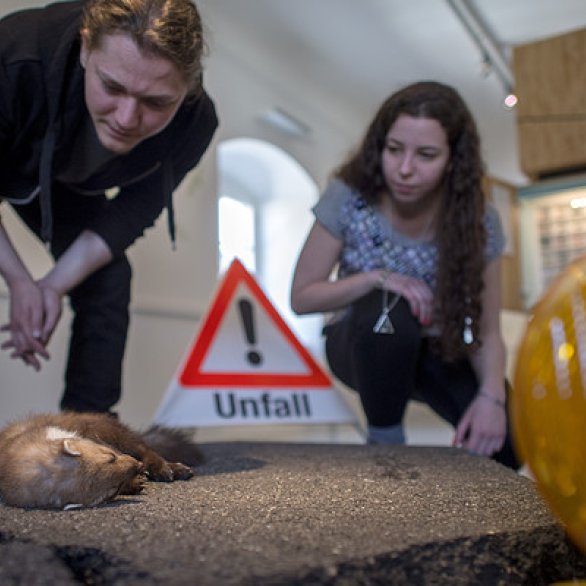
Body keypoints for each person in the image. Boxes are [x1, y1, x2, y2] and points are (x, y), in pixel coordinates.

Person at [0, 0, 218, 414]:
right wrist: (20, 282)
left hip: (67, 185)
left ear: (186, 90)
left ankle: (88, 433)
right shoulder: (15, 55)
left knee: (108, 277)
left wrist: (49, 287)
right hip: (20, 152)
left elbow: (129, 215)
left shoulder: (196, 123)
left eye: (155, 102)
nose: (127, 117)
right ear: (86, 48)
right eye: (112, 87)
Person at [291, 81, 519, 469]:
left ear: (453, 159)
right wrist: (376, 278)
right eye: (394, 150)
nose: (405, 169)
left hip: (435, 346)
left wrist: (491, 399)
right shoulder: (348, 196)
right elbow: (302, 298)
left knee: (510, 444)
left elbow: (489, 333)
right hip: (361, 341)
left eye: (426, 155)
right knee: (389, 309)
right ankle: (385, 445)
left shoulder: (480, 220)